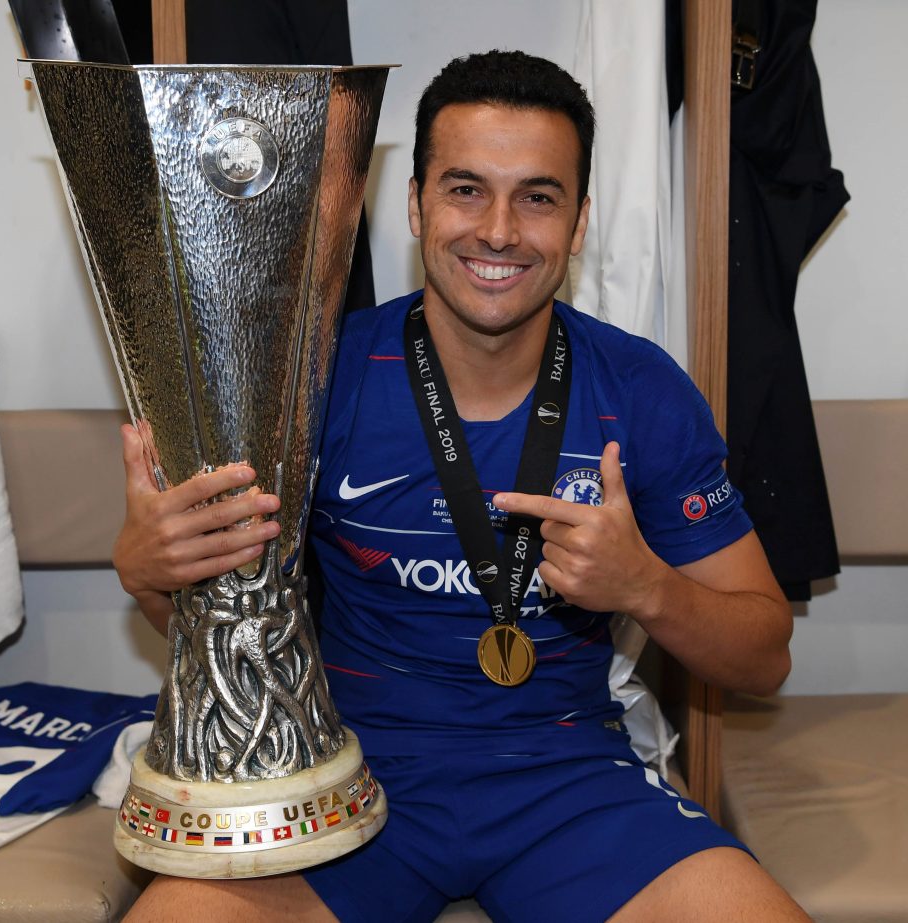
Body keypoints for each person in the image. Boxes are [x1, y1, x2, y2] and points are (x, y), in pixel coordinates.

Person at [114, 50, 810, 923]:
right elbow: (227, 635)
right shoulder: (311, 378)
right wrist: (148, 571)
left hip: (567, 778)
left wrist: (649, 588)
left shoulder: (638, 388)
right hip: (347, 776)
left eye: (539, 196)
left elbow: (764, 654)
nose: (500, 230)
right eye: (466, 189)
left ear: (581, 222)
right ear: (414, 204)